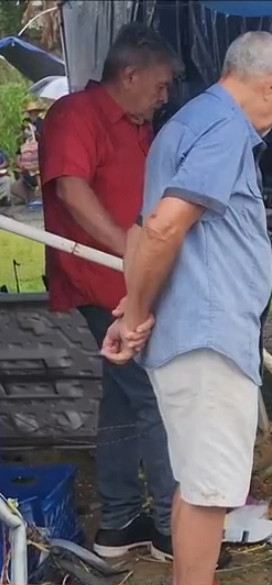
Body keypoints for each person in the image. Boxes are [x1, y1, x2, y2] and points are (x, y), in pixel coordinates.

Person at [102, 31, 272, 585]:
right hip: (209, 338)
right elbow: (163, 227)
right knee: (210, 492)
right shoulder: (225, 130)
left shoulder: (183, 123)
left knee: (195, 485)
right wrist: (136, 310)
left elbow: (143, 229)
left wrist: (128, 310)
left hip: (191, 334)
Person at [38, 23, 182, 560]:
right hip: (103, 278)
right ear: (130, 74)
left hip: (134, 276)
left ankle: (120, 522)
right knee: (154, 396)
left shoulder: (139, 123)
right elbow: (72, 190)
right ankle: (171, 525)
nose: (164, 96)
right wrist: (128, 248)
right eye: (160, 85)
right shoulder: (76, 114)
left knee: (123, 400)